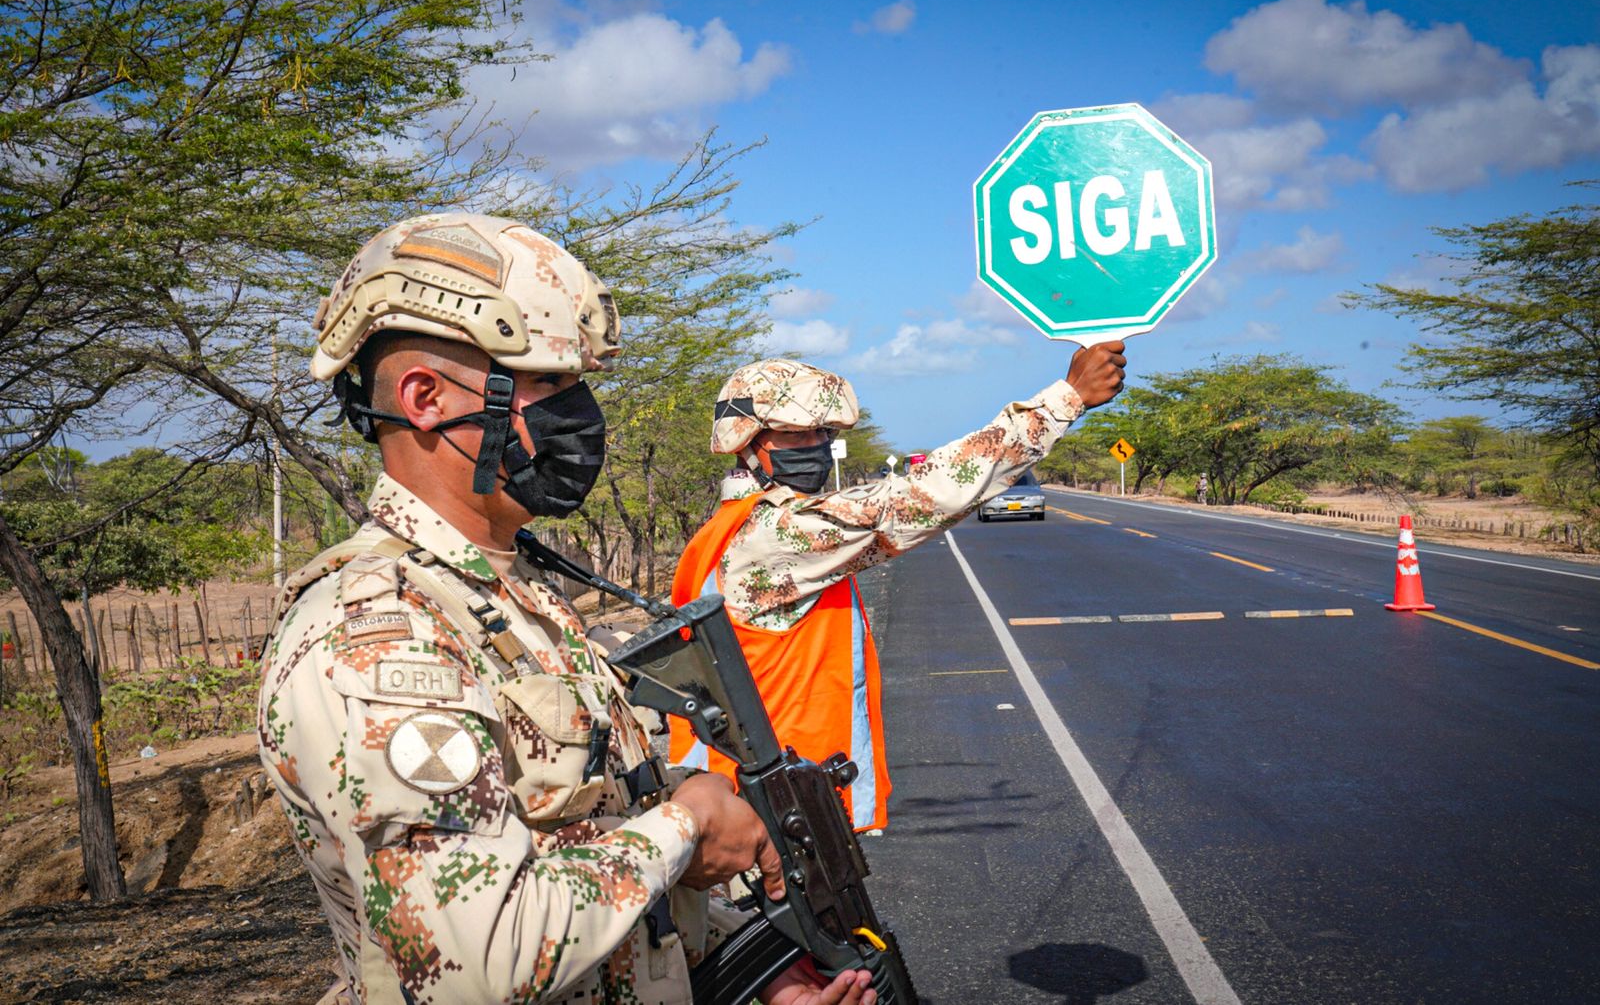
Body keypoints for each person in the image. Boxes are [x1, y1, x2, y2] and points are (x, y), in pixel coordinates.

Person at [257, 213, 873, 1005]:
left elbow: (589, 843)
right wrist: (686, 829)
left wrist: (745, 964)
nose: (580, 415)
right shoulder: (377, 637)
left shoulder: (510, 598)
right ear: (424, 398)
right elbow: (479, 960)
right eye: (549, 385)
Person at [668, 346, 1127, 831]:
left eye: (822, 433)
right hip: (763, 813)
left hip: (754, 798)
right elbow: (918, 499)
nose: (816, 445)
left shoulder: (731, 528)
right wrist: (1065, 400)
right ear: (748, 442)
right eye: (795, 434)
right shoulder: (773, 535)